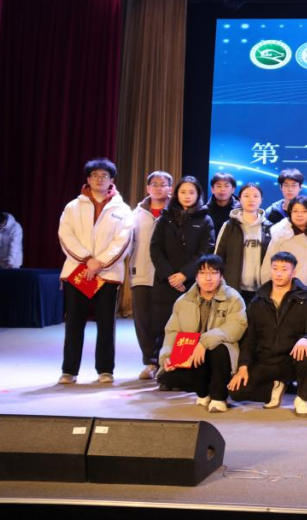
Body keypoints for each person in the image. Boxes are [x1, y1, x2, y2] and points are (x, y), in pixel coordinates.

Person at [57, 158, 134, 385]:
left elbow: (124, 239)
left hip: (107, 274)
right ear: (88, 179)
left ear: (112, 180)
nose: (100, 179)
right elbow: (65, 235)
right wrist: (87, 260)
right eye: (95, 175)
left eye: (104, 176)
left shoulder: (122, 209)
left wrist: (100, 263)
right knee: (74, 322)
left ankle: (105, 369)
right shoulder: (73, 206)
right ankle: (69, 370)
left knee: (106, 324)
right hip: (77, 271)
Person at [228, 251, 307, 417]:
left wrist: (305, 339)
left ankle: (301, 398)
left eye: (284, 269)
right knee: (236, 392)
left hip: (291, 360)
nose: (278, 273)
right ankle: (275, 387)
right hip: (266, 361)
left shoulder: (305, 299)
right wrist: (243, 366)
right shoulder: (258, 300)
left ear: (293, 272)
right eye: (275, 268)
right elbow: (250, 337)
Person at [157, 254, 247, 413]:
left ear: (221, 276)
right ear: (196, 277)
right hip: (192, 353)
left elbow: (236, 326)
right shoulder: (183, 301)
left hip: (220, 355)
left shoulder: (233, 298)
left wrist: (204, 343)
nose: (208, 278)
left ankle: (218, 397)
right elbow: (172, 331)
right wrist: (167, 356)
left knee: (219, 350)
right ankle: (203, 392)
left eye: (213, 273)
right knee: (168, 377)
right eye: (203, 273)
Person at [150, 175, 215, 372]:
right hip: (165, 281)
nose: (187, 196)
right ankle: (159, 366)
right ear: (176, 194)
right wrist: (170, 275)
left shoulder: (205, 219)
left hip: (191, 282)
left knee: (188, 325)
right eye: (183, 192)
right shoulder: (165, 217)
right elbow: (155, 248)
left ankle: (182, 368)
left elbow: (206, 250)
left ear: (198, 195)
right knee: (162, 324)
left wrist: (184, 274)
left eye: (191, 192)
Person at [130, 170, 173, 380]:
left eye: (163, 184)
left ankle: (165, 362)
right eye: (154, 184)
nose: (158, 188)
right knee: (143, 321)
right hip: (141, 274)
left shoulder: (176, 212)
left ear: (170, 188)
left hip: (167, 276)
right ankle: (149, 362)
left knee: (166, 321)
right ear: (147, 188)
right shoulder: (136, 214)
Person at [214, 182, 272, 305]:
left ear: (261, 200)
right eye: (246, 196)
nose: (251, 199)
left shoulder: (270, 228)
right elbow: (218, 256)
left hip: (261, 290)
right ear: (240, 199)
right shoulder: (229, 226)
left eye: (255, 196)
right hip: (233, 288)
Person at [265, 196, 307, 298]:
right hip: (285, 292)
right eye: (295, 211)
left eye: (304, 211)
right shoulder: (280, 236)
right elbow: (267, 267)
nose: (299, 215)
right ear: (290, 213)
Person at [208, 172, 239, 238]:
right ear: (212, 189)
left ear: (233, 189)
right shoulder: (205, 211)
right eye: (218, 186)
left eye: (226, 186)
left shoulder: (240, 211)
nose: (222, 189)